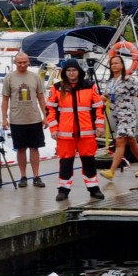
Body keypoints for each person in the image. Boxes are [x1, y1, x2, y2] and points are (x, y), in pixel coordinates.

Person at [46, 58, 105, 201]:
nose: (71, 73)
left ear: (79, 71)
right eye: (69, 70)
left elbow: (98, 107)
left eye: (74, 70)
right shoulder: (57, 88)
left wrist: (99, 125)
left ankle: (94, 188)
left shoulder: (89, 86)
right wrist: (53, 129)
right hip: (65, 133)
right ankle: (63, 190)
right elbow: (50, 110)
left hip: (87, 131)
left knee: (89, 160)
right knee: (66, 162)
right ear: (64, 73)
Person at [99, 54, 138, 180]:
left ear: (122, 65)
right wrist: (91, 101)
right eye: (112, 64)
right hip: (117, 116)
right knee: (132, 142)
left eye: (117, 63)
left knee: (120, 142)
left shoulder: (129, 80)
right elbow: (105, 97)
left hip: (128, 115)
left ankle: (111, 171)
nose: (114, 65)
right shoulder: (110, 81)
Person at [0, 51, 47, 188]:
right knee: (20, 149)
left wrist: (45, 116)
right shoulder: (9, 78)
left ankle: (36, 176)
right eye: (19, 62)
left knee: (34, 148)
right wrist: (4, 118)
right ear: (15, 63)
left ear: (28, 62)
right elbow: (5, 99)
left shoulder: (35, 77)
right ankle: (23, 176)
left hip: (34, 118)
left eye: (24, 62)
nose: (22, 65)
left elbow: (41, 97)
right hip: (17, 120)